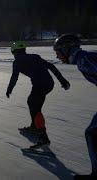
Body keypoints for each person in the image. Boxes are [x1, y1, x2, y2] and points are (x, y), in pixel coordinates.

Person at [6, 41, 70, 149]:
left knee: (34, 106)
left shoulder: (17, 62)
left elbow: (14, 77)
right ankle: (34, 126)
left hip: (39, 85)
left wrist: (9, 89)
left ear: (14, 52)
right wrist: (63, 81)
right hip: (49, 84)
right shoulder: (35, 57)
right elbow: (51, 66)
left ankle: (43, 137)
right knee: (34, 104)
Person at [53, 34, 97, 180]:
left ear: (67, 49)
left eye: (58, 53)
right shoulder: (85, 58)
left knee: (92, 133)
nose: (58, 57)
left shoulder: (84, 60)